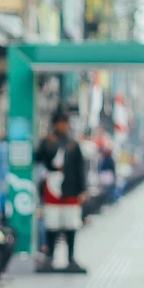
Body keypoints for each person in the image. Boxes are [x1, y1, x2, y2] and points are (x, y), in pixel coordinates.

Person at [34, 111, 89, 273]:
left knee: (71, 223)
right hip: (52, 189)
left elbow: (80, 168)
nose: (62, 126)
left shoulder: (73, 144)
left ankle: (71, 257)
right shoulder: (48, 142)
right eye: (59, 123)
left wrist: (83, 189)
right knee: (52, 223)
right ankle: (50, 256)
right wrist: (46, 145)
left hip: (70, 189)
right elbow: (38, 159)